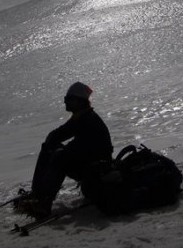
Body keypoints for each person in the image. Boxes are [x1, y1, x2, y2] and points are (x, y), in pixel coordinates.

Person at [17, 82, 113, 219]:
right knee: (49, 148)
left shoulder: (89, 121)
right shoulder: (81, 116)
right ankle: (37, 194)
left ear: (79, 101)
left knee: (60, 157)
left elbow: (76, 148)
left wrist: (56, 150)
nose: (65, 102)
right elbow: (60, 134)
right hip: (88, 162)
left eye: (68, 99)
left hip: (96, 168)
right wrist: (51, 142)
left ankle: (44, 203)